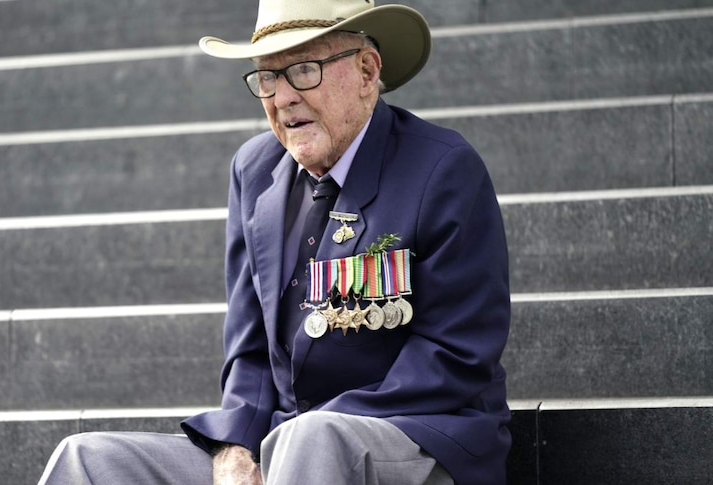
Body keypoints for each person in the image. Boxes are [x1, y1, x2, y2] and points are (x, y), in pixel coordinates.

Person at [37, 0, 511, 484]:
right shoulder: (255, 169)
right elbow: (250, 350)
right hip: (282, 444)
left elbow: (455, 354)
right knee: (87, 461)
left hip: (416, 437)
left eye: (303, 70)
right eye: (268, 77)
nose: (282, 97)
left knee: (312, 441)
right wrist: (237, 446)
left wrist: (300, 436)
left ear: (367, 72)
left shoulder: (443, 168)